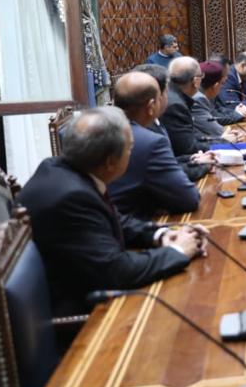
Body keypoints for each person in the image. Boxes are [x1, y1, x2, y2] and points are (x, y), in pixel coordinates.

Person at [19, 107, 206, 315]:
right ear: (110, 162)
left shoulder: (59, 168)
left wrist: (161, 235)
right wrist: (178, 251)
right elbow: (117, 271)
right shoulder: (73, 197)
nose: (131, 154)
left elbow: (114, 219)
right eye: (130, 149)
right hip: (80, 314)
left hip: (84, 281)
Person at [109, 72, 200, 218]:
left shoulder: (103, 130)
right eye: (161, 97)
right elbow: (189, 199)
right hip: (133, 224)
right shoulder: (150, 141)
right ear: (151, 105)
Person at [161, 57, 215, 159]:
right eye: (201, 76)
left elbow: (193, 136)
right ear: (195, 81)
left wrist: (221, 140)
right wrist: (222, 145)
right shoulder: (176, 105)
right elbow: (188, 148)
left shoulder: (173, 95)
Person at [193, 61, 246, 139]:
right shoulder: (198, 99)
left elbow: (219, 109)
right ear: (215, 85)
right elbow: (214, 122)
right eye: (222, 83)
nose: (222, 87)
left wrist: (237, 112)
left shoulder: (207, 93)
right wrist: (227, 133)